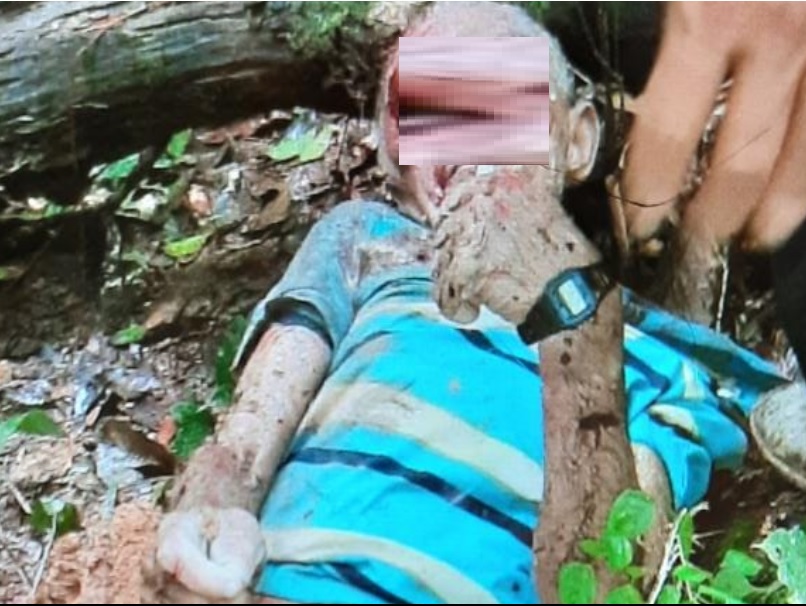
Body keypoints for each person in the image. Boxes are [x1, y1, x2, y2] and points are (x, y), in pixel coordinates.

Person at [151, 4, 786, 604]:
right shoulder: (373, 245)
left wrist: (573, 324)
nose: (461, 143)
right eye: (426, 109)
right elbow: (242, 446)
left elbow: (600, 582)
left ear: (578, 140)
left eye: (497, 102)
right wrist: (205, 525)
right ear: (391, 154)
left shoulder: (671, 367)